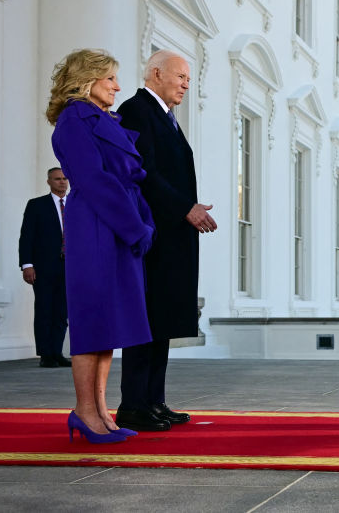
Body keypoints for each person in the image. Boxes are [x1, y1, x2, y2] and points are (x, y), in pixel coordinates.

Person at [48, 48, 156, 444]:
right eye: (110, 77)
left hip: (115, 221)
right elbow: (94, 180)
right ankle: (84, 412)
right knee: (93, 319)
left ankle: (100, 412)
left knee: (109, 322)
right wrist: (135, 227)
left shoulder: (101, 118)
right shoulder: (75, 119)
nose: (117, 85)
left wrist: (140, 223)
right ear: (87, 79)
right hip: (97, 223)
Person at [114, 49, 217, 432]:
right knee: (146, 321)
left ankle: (153, 401)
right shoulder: (137, 109)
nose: (187, 84)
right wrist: (184, 208)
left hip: (171, 236)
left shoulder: (166, 116)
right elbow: (143, 172)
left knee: (161, 321)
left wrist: (187, 208)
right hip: (152, 236)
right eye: (181, 77)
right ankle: (133, 404)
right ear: (156, 74)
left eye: (189, 79)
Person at [18, 167, 71, 368]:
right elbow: (27, 237)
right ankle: (45, 354)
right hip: (43, 267)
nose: (62, 182)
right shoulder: (37, 205)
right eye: (57, 179)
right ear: (49, 181)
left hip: (69, 267)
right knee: (44, 309)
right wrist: (27, 264)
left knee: (61, 311)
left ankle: (57, 351)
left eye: (65, 178)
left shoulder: (76, 205)